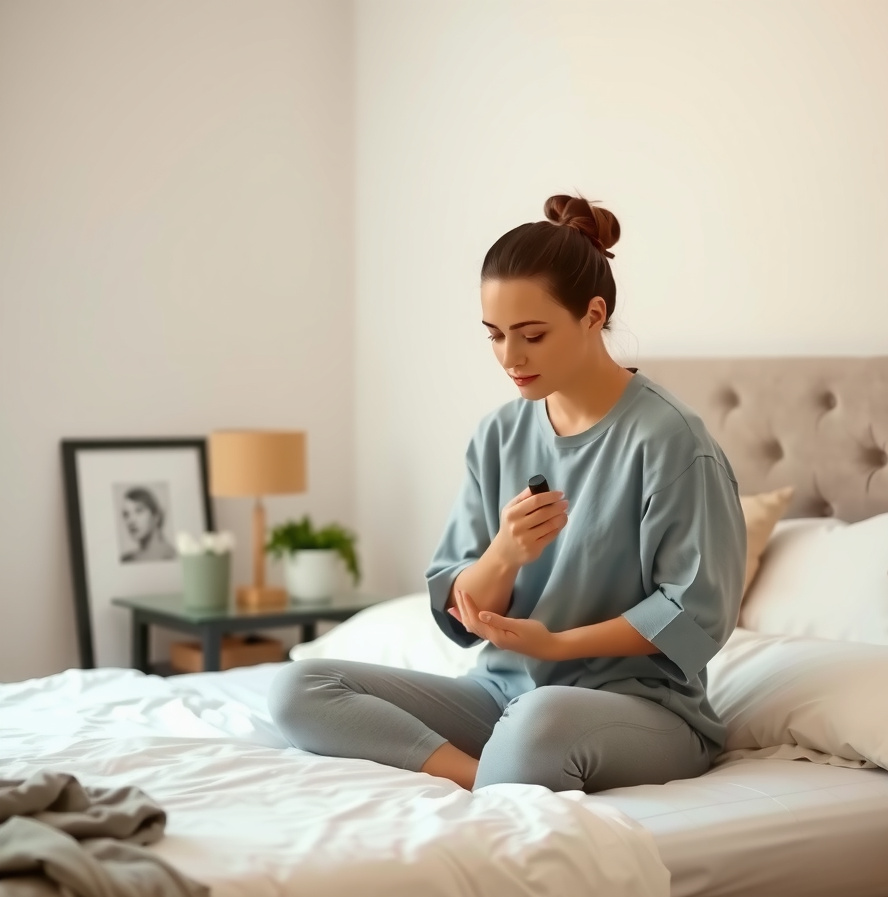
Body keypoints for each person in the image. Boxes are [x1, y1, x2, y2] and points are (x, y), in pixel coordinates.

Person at [270, 194, 746, 793]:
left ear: (593, 315)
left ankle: (508, 765)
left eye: (532, 335)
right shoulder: (498, 434)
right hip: (503, 696)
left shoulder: (671, 440)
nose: (510, 357)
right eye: (495, 335)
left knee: (539, 724)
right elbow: (460, 609)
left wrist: (558, 645)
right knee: (300, 687)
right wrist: (504, 553)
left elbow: (693, 618)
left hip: (640, 709)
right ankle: (479, 777)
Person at [120, 486, 176, 563]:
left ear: (156, 516)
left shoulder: (173, 556)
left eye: (139, 510)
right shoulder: (126, 559)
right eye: (126, 514)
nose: (131, 521)